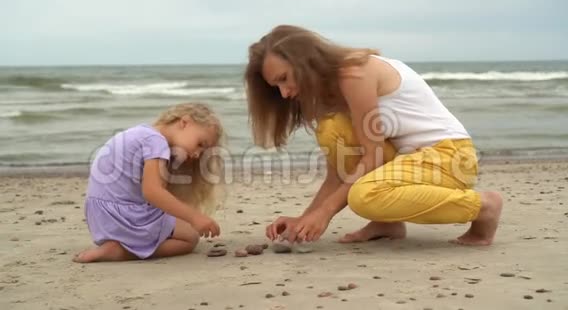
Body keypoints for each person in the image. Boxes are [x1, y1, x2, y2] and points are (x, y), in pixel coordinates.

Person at [244, 25, 503, 246]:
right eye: (276, 86)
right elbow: (339, 174)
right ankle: (386, 223)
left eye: (284, 79)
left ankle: (484, 207)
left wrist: (324, 214)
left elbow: (372, 156)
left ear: (304, 60)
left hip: (451, 158)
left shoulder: (354, 74)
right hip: (412, 160)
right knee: (333, 129)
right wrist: (304, 219)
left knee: (364, 196)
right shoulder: (330, 97)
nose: (284, 94)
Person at [74, 102, 223, 262]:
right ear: (184, 122)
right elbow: (153, 192)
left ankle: (125, 243)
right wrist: (195, 218)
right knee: (189, 238)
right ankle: (120, 251)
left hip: (101, 217)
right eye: (200, 144)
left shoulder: (142, 133)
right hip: (122, 216)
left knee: (177, 226)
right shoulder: (156, 142)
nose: (197, 154)